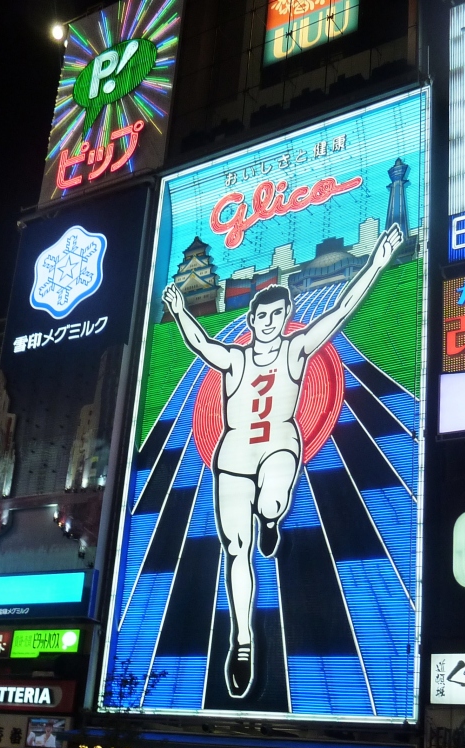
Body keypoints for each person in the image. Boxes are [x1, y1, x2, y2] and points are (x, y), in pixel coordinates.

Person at [163, 224, 403, 699]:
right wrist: (177, 309)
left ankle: (272, 519)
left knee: (272, 501)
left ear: (286, 315)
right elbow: (199, 344)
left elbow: (339, 312)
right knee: (236, 549)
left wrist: (377, 261)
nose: (270, 321)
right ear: (252, 321)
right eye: (263, 315)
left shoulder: (296, 349)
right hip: (232, 455)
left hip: (278, 445)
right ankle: (243, 641)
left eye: (278, 313)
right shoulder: (235, 359)